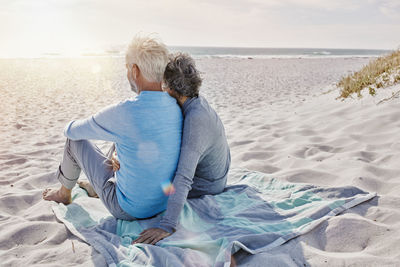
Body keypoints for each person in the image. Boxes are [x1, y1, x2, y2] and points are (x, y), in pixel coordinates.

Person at [42, 35, 183, 221]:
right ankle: (95, 187)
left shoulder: (125, 111)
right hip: (162, 204)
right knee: (126, 140)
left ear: (134, 70)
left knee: (74, 142)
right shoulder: (176, 107)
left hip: (130, 210)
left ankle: (63, 193)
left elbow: (71, 131)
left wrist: (75, 123)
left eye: (127, 67)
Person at [132, 53, 231, 244]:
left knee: (152, 173)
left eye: (163, 85)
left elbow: (184, 176)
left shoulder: (196, 119)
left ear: (170, 88)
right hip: (216, 173)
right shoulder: (194, 102)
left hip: (209, 185)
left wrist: (167, 225)